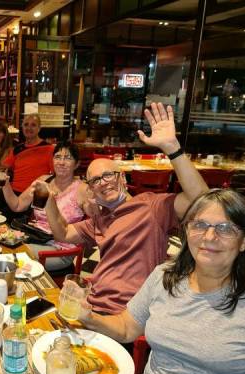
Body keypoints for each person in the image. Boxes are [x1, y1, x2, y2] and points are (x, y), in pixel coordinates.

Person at [78, 189, 245, 374]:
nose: (210, 236)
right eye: (200, 225)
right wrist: (89, 317)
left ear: (244, 240)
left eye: (225, 228)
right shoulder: (165, 276)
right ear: (186, 231)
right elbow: (126, 328)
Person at [45, 103, 209, 315]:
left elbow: (202, 201)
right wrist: (49, 200)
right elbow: (63, 233)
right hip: (92, 304)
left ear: (122, 177)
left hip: (125, 316)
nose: (103, 183)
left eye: (108, 176)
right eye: (95, 181)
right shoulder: (99, 219)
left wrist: (172, 148)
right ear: (91, 189)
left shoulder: (152, 207)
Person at [2, 142, 86, 271]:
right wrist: (5, 184)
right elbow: (17, 205)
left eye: (68, 158)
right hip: (35, 239)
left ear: (77, 164)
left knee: (11, 255)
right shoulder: (44, 181)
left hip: (61, 249)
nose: (61, 162)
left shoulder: (82, 189)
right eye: (57, 157)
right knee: (0, 244)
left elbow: (96, 225)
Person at [1, 114, 54, 194]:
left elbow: (55, 175)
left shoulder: (49, 148)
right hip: (13, 192)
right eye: (26, 125)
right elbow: (2, 167)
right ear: (22, 128)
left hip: (33, 195)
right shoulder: (17, 149)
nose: (29, 128)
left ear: (39, 128)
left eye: (33, 125)